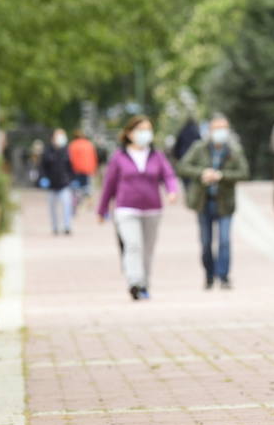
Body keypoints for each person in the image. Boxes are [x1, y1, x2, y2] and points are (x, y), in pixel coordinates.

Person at [97, 116, 179, 300]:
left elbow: (169, 176)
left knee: (147, 249)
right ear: (129, 133)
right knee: (133, 245)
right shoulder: (119, 157)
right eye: (140, 129)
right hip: (126, 209)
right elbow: (108, 185)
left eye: (148, 129)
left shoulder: (156, 155)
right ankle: (134, 282)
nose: (144, 133)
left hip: (152, 208)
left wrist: (172, 191)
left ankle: (144, 283)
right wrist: (101, 210)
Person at [177, 113, 249, 289]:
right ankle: (209, 275)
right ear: (209, 130)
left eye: (223, 128)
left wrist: (222, 176)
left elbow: (244, 173)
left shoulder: (234, 150)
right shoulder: (199, 148)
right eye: (217, 128)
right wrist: (202, 173)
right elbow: (182, 167)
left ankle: (223, 276)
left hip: (225, 202)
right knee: (206, 242)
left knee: (224, 240)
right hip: (203, 201)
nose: (220, 132)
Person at [38, 128, 75, 235]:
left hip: (64, 184)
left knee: (66, 205)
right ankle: (55, 227)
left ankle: (67, 226)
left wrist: (72, 179)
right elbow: (42, 167)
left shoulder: (67, 151)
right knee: (52, 208)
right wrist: (43, 178)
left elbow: (71, 167)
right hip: (51, 184)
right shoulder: (48, 151)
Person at [67, 129, 98, 211]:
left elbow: (71, 159)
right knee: (88, 187)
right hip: (88, 169)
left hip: (77, 170)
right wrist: (94, 169)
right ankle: (90, 203)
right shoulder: (89, 144)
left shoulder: (73, 145)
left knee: (76, 188)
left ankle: (76, 203)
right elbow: (94, 157)